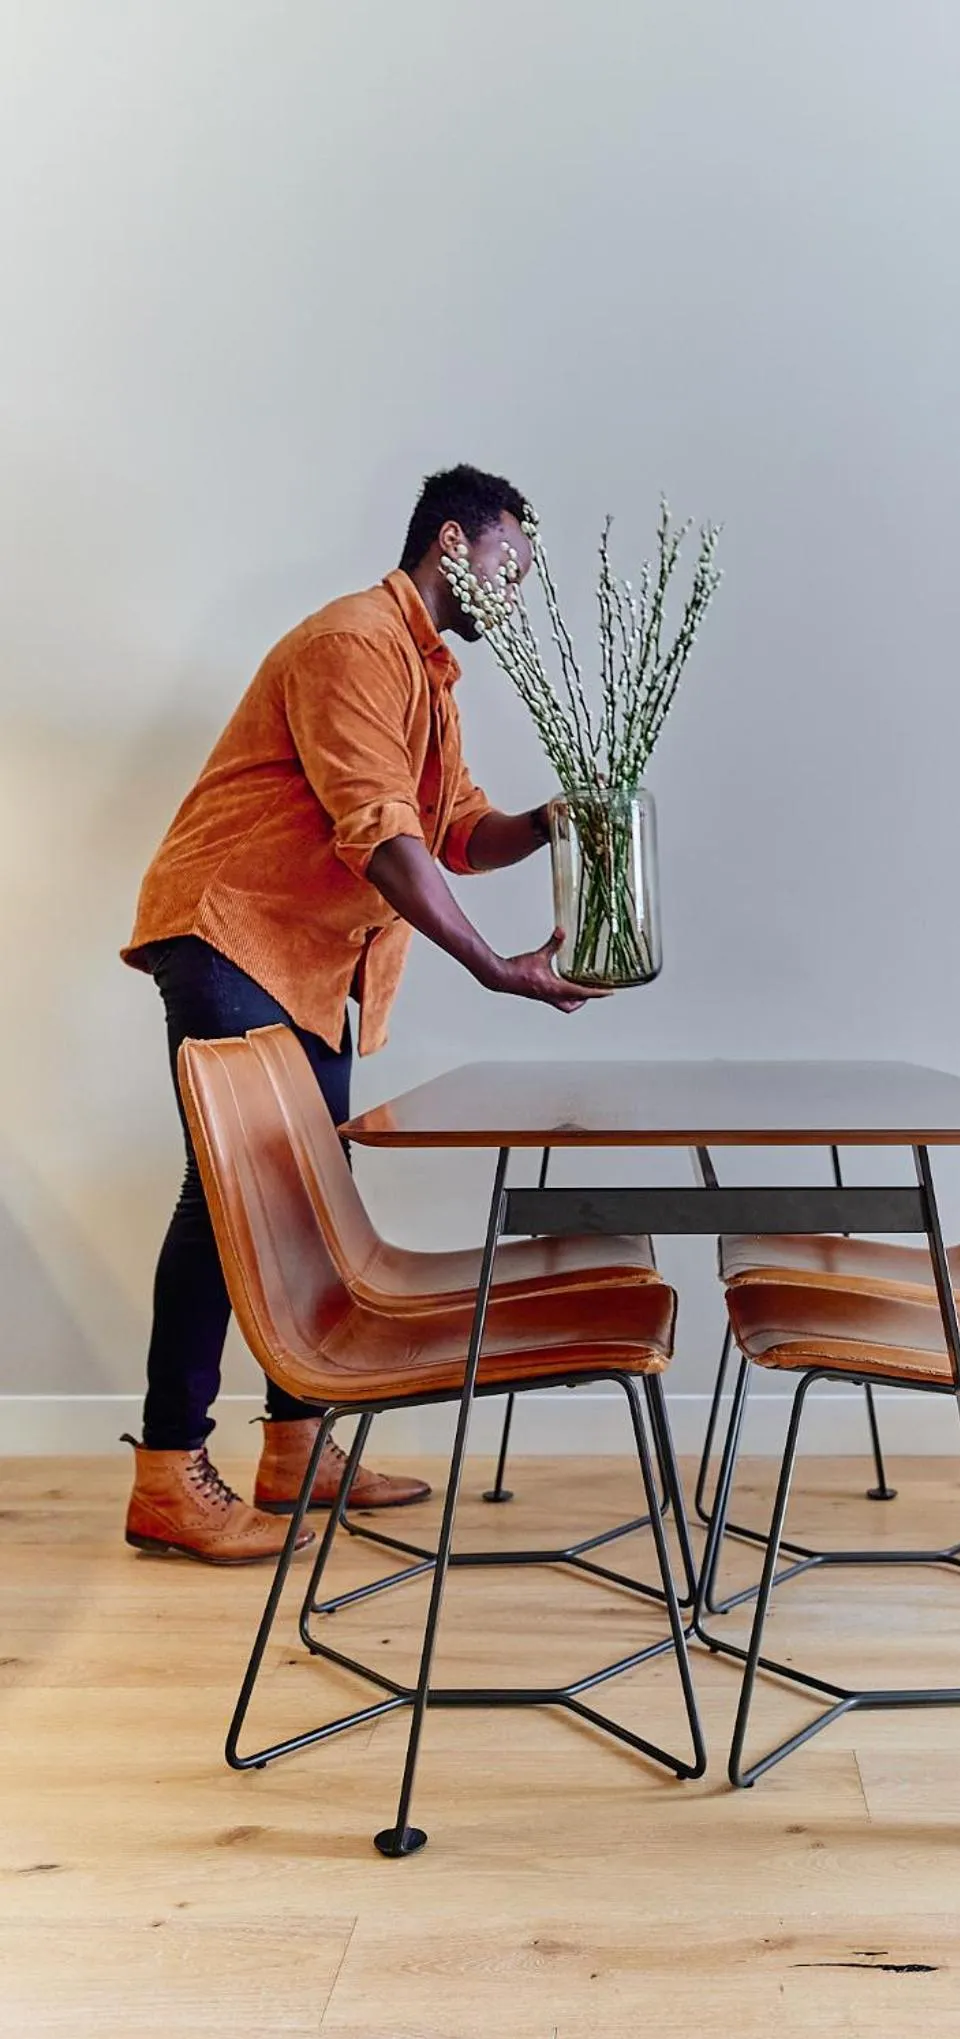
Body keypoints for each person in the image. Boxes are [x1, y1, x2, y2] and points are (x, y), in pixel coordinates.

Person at [120, 463, 598, 1564]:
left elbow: (458, 826)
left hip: (311, 961)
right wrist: (492, 965)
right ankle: (166, 1472)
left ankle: (295, 1448)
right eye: (508, 567)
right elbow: (383, 834)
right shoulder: (352, 644)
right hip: (232, 928)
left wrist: (550, 820)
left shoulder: (429, 675)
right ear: (448, 545)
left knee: (309, 1196)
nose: (514, 593)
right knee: (231, 1197)